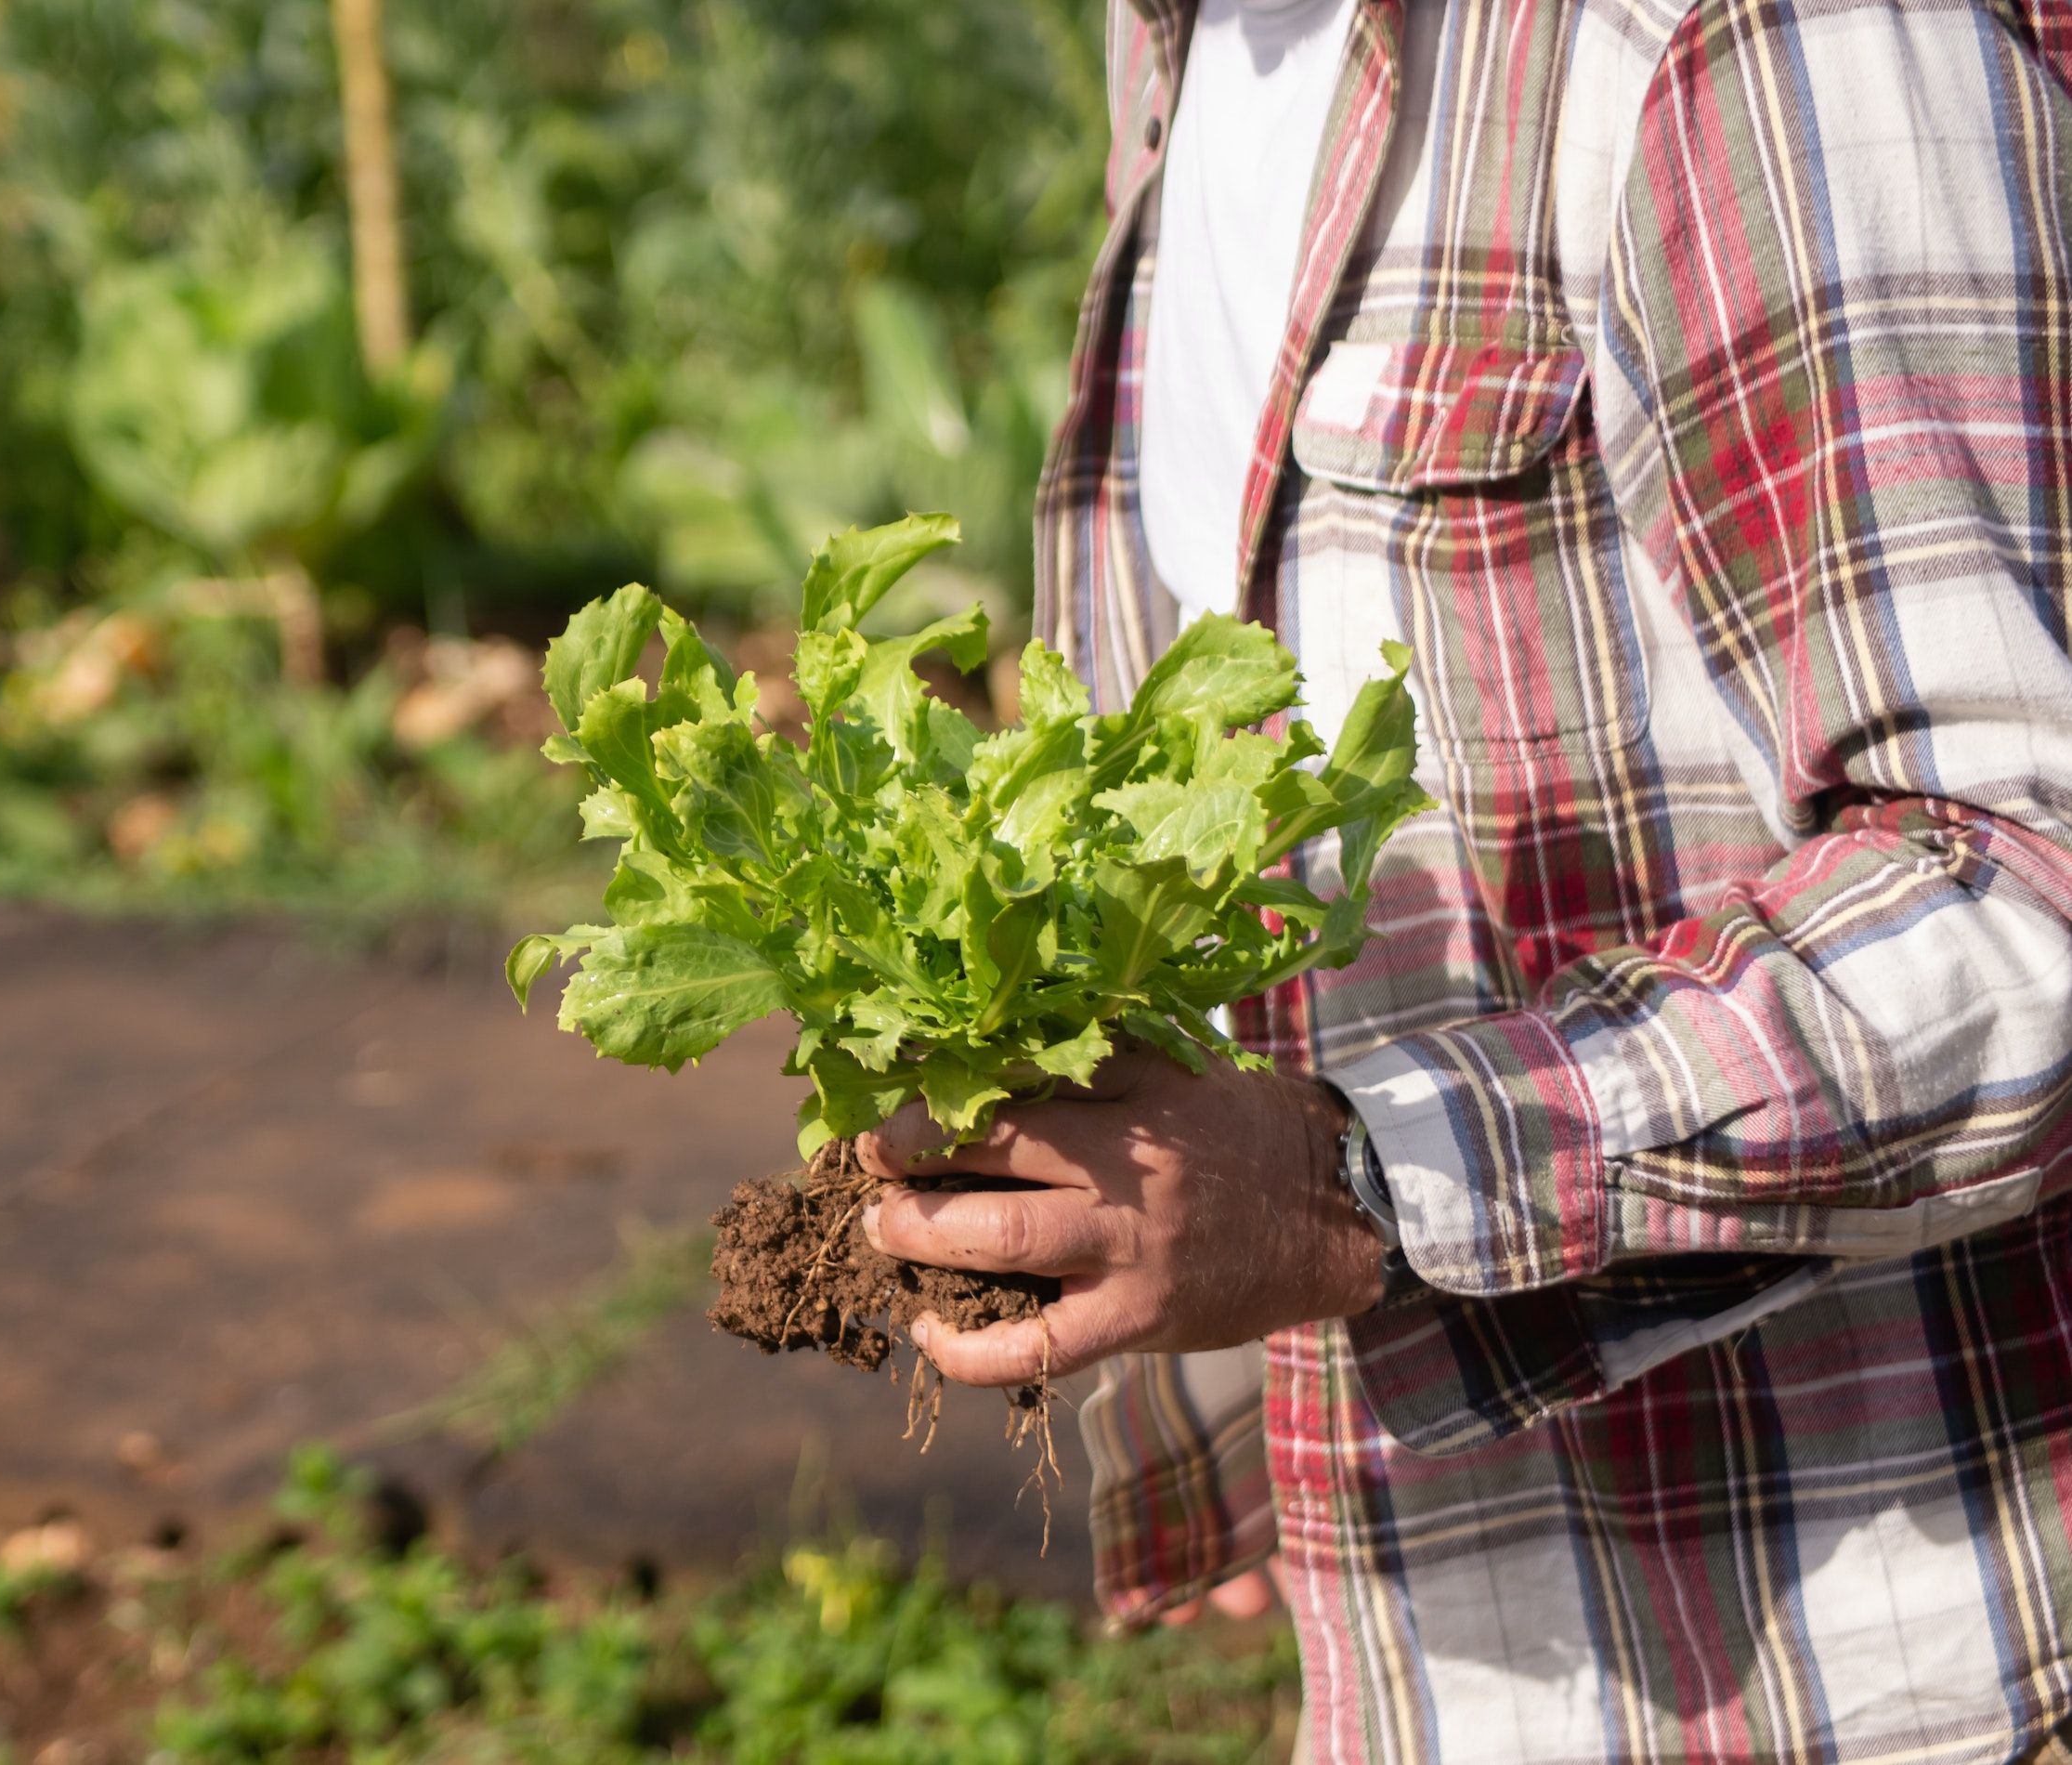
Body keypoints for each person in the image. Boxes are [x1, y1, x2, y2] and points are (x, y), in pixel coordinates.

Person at [855, 0, 2072, 1758]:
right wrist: (1210, 1399)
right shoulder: (1182, 46)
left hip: (1901, 1660)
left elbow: (2020, 882)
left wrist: (1349, 1185)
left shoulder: (1742, 36)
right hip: (1463, 1636)